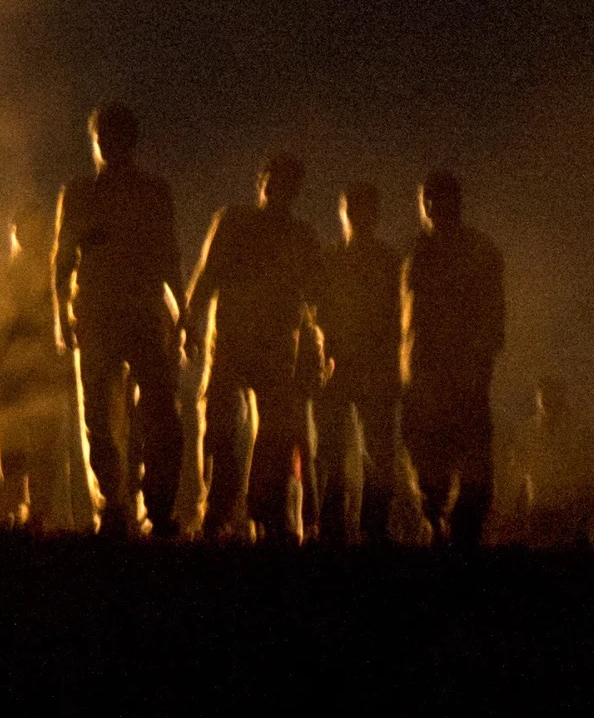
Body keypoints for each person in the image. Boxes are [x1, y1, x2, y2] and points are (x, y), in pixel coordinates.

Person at [51, 105, 181, 538]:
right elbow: (62, 260)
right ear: (95, 139)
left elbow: (169, 257)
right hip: (98, 313)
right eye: (104, 134)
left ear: (131, 140)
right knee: (100, 416)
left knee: (158, 411)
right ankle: (113, 503)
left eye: (118, 134)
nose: (110, 142)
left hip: (142, 312)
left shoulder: (153, 193)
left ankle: (157, 505)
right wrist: (61, 318)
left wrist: (183, 316)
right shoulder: (79, 193)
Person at [184, 154, 325, 539]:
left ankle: (259, 510)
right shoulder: (234, 221)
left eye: (284, 182)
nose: (276, 188)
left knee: (271, 433)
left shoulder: (299, 236)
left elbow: (316, 298)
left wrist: (317, 345)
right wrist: (188, 322)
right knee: (221, 429)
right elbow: (207, 272)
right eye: (272, 180)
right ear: (260, 182)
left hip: (275, 344)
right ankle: (222, 507)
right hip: (233, 341)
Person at [400, 170, 506, 548]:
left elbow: (494, 316)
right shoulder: (416, 251)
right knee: (426, 455)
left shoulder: (479, 251)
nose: (431, 205)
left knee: (472, 458)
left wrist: (479, 366)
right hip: (421, 373)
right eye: (425, 197)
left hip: (463, 373)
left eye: (438, 197)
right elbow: (405, 316)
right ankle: (436, 521)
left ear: (455, 202)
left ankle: (464, 530)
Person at [314, 181, 405, 541]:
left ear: (374, 215)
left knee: (376, 450)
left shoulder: (388, 262)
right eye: (350, 207)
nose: (355, 215)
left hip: (374, 367)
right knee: (334, 449)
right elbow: (318, 311)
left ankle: (372, 524)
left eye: (361, 208)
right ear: (342, 212)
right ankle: (337, 523)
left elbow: (400, 317)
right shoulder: (332, 258)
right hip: (338, 366)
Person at [0, 208, 59, 523]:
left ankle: (37, 518)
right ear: (15, 232)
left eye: (38, 230)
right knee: (7, 452)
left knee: (45, 451)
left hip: (42, 374)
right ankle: (6, 516)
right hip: (6, 374)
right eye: (26, 230)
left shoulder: (54, 274)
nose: (33, 238)